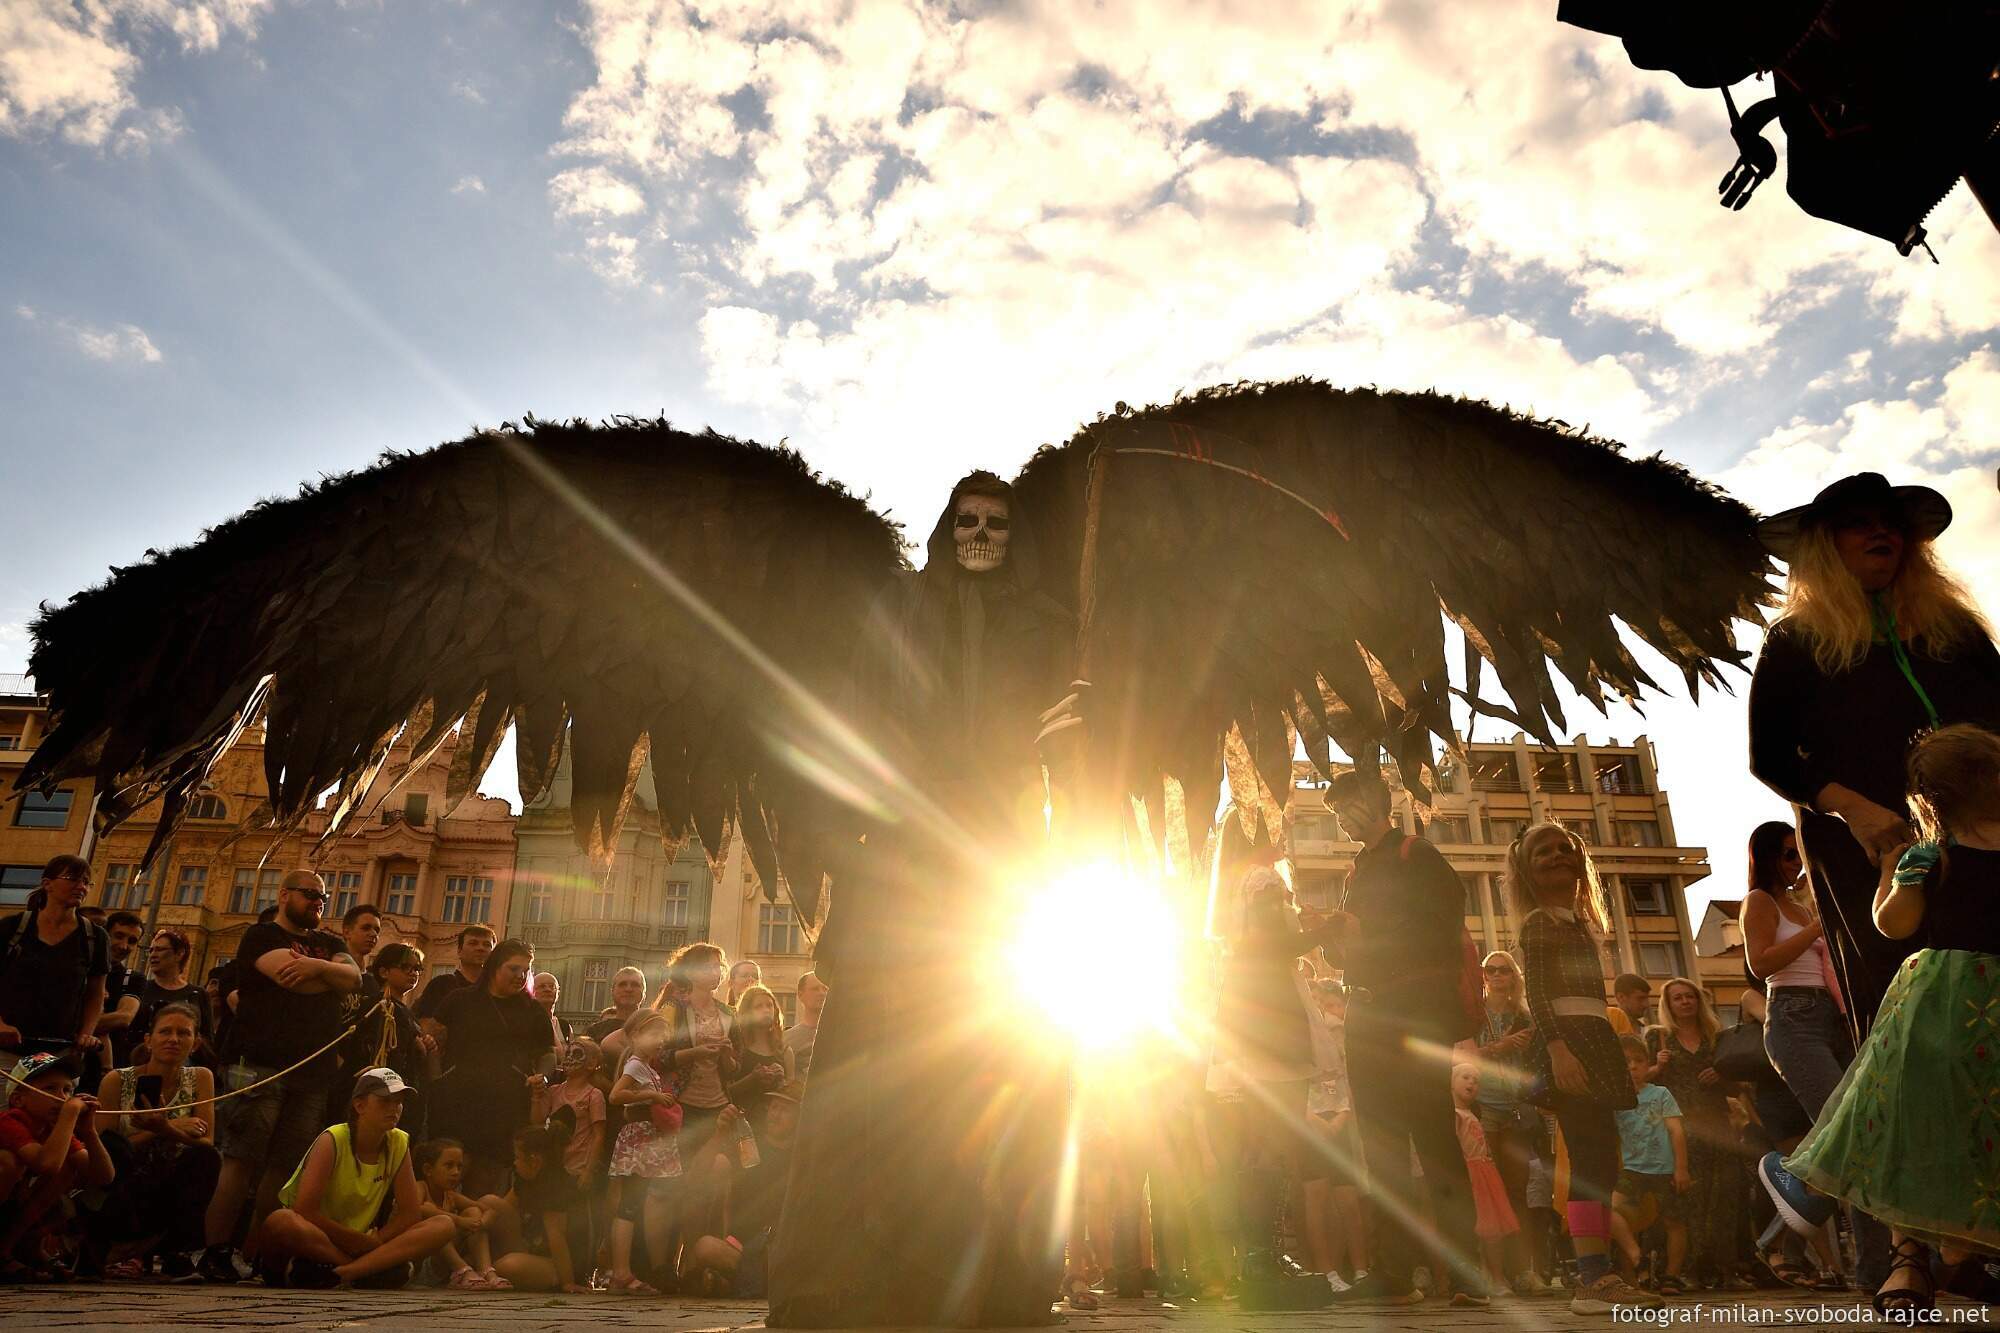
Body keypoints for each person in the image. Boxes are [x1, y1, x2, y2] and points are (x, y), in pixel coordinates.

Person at [1750, 473, 2000, 1034]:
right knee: (1903, 1006)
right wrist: (1856, 812)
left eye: (1890, 524)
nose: (1880, 532)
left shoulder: (1955, 633)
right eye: (1859, 524)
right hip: (1868, 846)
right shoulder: (1795, 639)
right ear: (1825, 547)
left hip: (1985, 838)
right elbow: (1770, 755)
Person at [1783, 723, 2000, 1316]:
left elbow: (1894, 925)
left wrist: (1889, 874)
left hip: (1944, 1002)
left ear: (1926, 799)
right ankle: (1956, 1250)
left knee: (1913, 1110)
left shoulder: (1930, 857)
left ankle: (1927, 1246)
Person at [1322, 773, 1484, 1307]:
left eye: (1346, 804)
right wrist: (1335, 940)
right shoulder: (1356, 870)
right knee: (1381, 1150)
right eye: (1336, 810)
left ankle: (1466, 1274)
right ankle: (1395, 1271)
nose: (1342, 817)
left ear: (1374, 800)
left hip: (1414, 1013)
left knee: (1434, 1139)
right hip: (1366, 1012)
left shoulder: (1416, 854)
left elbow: (1441, 925)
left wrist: (1365, 939)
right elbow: (1353, 948)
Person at [1511, 823, 1661, 1314]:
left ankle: (1597, 1273)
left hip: (1593, 1042)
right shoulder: (1538, 922)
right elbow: (1536, 991)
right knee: (1588, 1160)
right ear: (1526, 870)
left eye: (1564, 848)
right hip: (1570, 1045)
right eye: (1542, 852)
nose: (1557, 855)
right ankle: (1592, 1276)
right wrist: (1557, 1047)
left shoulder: (1574, 923)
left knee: (1602, 1161)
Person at [198, 869, 360, 1284]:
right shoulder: (260, 936)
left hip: (312, 1071)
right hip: (258, 1063)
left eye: (323, 898)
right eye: (309, 895)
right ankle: (216, 1252)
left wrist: (310, 965)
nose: (318, 903)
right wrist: (326, 975)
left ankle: (259, 1254)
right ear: (285, 894)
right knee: (242, 1159)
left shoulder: (332, 943)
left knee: (285, 1167)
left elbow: (354, 978)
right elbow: (294, 984)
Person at [252, 1066, 455, 1287]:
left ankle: (344, 1273)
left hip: (364, 1243)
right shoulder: (333, 1138)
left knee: (443, 1224)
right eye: (384, 1101)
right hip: (319, 1239)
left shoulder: (399, 1141)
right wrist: (355, 1240)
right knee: (281, 1221)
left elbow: (410, 1214)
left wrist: (377, 1240)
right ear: (360, 1105)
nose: (394, 1109)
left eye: (398, 1102)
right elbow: (305, 1210)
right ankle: (368, 1270)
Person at [87, 1002, 219, 1280]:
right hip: (123, 1181)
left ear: (195, 1043)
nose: (173, 1039)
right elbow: (103, 1150)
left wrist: (166, 1128)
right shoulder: (117, 1081)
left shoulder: (200, 1078)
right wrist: (164, 1128)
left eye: (183, 1033)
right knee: (115, 1146)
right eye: (165, 1032)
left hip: (169, 1181)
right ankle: (101, 1244)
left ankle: (180, 1254)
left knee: (205, 1158)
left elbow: (207, 1142)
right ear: (149, 1040)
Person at [430, 938, 553, 1195]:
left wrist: (542, 1076)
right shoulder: (459, 1000)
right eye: (513, 968)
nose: (521, 976)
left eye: (526, 970)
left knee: (484, 1189)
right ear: (495, 966)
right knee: (441, 1187)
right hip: (456, 1106)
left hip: (504, 1111)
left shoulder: (533, 1011)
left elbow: (547, 1053)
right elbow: (433, 1042)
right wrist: (436, 1082)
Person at [0, 1051, 115, 1277]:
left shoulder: (55, 1128)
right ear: (18, 1099)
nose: (63, 1098)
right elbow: (47, 1165)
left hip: (18, 1207)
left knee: (68, 1167)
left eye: (67, 1090)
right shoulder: (10, 1121)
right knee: (9, 1162)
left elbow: (104, 1176)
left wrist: (89, 1132)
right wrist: (70, 1114)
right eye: (50, 1089)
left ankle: (10, 1249)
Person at [683, 1085, 801, 1299]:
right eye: (774, 1107)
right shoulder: (748, 1144)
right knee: (705, 1247)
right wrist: (719, 1134)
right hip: (739, 1246)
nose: (775, 1114)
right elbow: (696, 1176)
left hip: (778, 1246)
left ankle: (725, 1284)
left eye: (785, 1110)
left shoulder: (800, 1156)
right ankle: (738, 1282)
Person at [1473, 949, 1543, 1295]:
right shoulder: (1473, 1015)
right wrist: (1501, 1046)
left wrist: (1524, 1049)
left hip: (1516, 1107)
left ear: (1514, 976)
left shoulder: (1525, 1016)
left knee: (1518, 1192)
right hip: (1484, 1107)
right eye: (1491, 970)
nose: (1498, 975)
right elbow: (1463, 1055)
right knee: (1487, 1192)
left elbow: (1536, 1066)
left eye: (1504, 970)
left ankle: (1524, 1271)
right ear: (1483, 976)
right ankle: (1492, 1273)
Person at [0, 855, 109, 1075]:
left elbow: (95, 994)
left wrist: (86, 1033)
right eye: (73, 879)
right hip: (7, 1049)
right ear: (47, 884)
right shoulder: (13, 927)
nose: (81, 887)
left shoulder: (95, 937)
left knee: (53, 1109)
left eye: (87, 882)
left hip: (60, 1053)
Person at [607, 1008, 681, 1295]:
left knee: (637, 1202)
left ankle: (628, 1270)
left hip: (651, 1138)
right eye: (654, 1034)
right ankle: (621, 1272)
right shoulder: (635, 1065)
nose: (660, 1040)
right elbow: (616, 1095)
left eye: (663, 1035)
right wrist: (651, 1095)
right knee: (630, 1204)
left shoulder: (647, 1067)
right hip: (640, 1138)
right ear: (635, 1035)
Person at [1302, 976, 1366, 1293]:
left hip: (1341, 1117)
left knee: (1348, 1199)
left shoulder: (1338, 1031)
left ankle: (1361, 1271)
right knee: (1317, 1197)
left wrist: (1342, 1116)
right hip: (1308, 1120)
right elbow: (1292, 1084)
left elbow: (1345, 1076)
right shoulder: (1297, 1033)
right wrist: (1311, 1118)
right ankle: (1325, 1272)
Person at [1610, 1036, 1690, 1291]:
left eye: (1639, 1061)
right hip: (1632, 1169)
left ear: (1648, 1065)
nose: (1632, 1067)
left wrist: (1681, 1168)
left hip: (1664, 1169)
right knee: (1613, 1210)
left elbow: (1677, 1131)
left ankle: (1671, 1276)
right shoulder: (1615, 1100)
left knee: (1674, 1221)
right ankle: (1634, 1265)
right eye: (1625, 1062)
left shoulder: (1660, 1094)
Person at [475, 1124, 589, 1292]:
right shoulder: (525, 1180)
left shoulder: (557, 1186)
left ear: (535, 1161)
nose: (514, 1163)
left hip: (558, 1262)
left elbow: (557, 1237)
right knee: (488, 1202)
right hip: (530, 1246)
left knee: (507, 1266)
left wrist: (568, 1282)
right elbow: (502, 1210)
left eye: (518, 1158)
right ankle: (484, 1268)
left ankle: (554, 1279)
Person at [659, 943, 738, 1171]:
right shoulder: (674, 1007)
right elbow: (659, 1057)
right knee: (682, 1174)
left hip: (719, 1104)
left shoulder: (728, 1012)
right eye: (709, 966)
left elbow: (735, 1066)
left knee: (716, 1172)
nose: (717, 971)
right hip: (682, 1104)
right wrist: (696, 1053)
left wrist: (725, 1055)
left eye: (719, 966)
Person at [343, 944, 428, 1135]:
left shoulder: (406, 1011)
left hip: (401, 1095)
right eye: (406, 967)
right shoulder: (379, 1006)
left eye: (417, 969)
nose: (413, 973)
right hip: (381, 1096)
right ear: (384, 971)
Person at [1453, 1063, 1520, 1284]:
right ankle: (1479, 1275)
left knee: (1493, 1229)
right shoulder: (1455, 1115)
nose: (1472, 1082)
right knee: (1477, 1226)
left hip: (1486, 1174)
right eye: (1465, 1077)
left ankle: (1497, 1276)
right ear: (1451, 1083)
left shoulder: (1472, 1114)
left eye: (1476, 1080)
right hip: (1470, 1174)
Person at [413, 1137, 507, 1289]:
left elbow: (488, 1209)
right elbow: (419, 1208)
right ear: (428, 1170)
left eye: (459, 1166)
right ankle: (462, 1271)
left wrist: (481, 1223)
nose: (456, 1172)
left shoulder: (450, 1195)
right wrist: (459, 1221)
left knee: (473, 1211)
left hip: (446, 1263)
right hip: (423, 1262)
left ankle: (485, 1271)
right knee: (439, 1222)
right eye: (449, 1166)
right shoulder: (421, 1187)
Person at [132, 929, 214, 1062]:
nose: (153, 955)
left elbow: (207, 1039)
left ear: (179, 953)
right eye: (151, 950)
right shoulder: (140, 988)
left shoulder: (198, 995)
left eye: (160, 950)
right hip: (139, 1064)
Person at [544, 1038, 607, 1185]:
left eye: (577, 1054)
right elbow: (537, 1120)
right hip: (553, 1165)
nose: (570, 1058)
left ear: (591, 1064)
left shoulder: (594, 1095)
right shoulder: (553, 1091)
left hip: (577, 1168)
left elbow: (599, 1136)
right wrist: (536, 1095)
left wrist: (588, 1171)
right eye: (567, 1054)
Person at [730, 984, 793, 1129]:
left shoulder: (784, 1051)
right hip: (741, 1124)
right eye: (758, 1006)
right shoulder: (737, 1047)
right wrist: (752, 1078)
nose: (766, 1010)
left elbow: (790, 1097)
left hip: (772, 1127)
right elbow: (725, 1093)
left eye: (769, 1005)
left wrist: (781, 1081)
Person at [413, 924, 495, 1035]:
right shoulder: (441, 985)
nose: (480, 948)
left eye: (487, 945)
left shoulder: (496, 990)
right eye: (473, 943)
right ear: (459, 951)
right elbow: (426, 1027)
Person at [97, 911, 147, 1070]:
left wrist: (73, 1024)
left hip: (108, 1068)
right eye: (118, 936)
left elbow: (124, 1018)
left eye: (132, 941)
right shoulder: (80, 969)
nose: (124, 946)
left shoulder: (133, 978)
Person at [785, 971, 826, 1080]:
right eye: (815, 989)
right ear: (800, 995)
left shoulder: (844, 1036)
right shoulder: (785, 1039)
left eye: (825, 989)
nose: (822, 993)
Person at [532, 971, 570, 1050]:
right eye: (542, 986)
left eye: (552, 986)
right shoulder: (527, 1022)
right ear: (532, 992)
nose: (547, 989)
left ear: (558, 993)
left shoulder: (565, 1026)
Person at [340, 905, 382, 973]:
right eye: (366, 928)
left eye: (377, 930)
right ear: (347, 932)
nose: (374, 934)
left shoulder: (372, 981)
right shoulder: (330, 972)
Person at [1611, 975, 1653, 1039]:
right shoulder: (1608, 1030)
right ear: (1621, 997)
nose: (1646, 1004)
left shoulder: (1649, 1032)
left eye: (1647, 998)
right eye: (1640, 998)